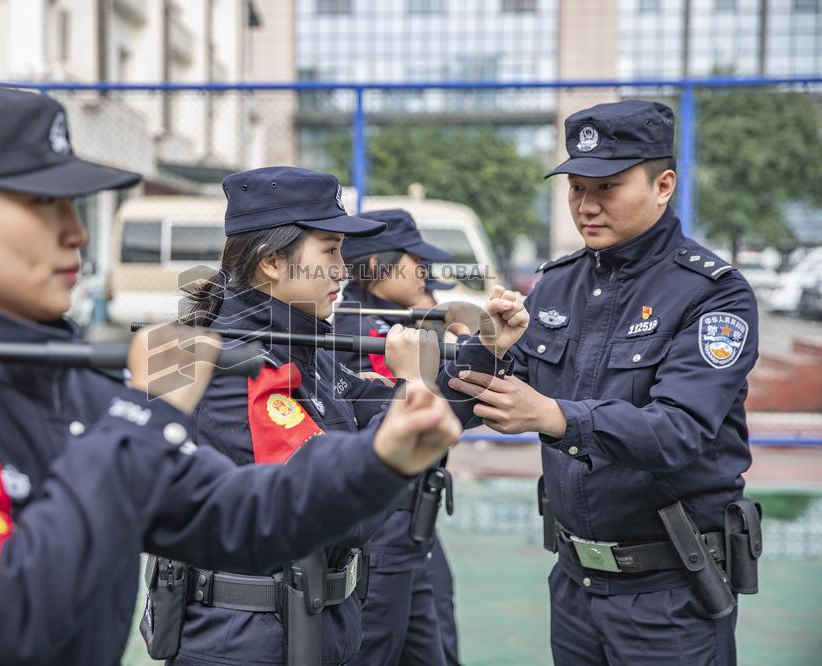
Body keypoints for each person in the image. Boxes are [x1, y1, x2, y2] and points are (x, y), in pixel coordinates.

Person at [0, 83, 466, 666]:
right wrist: (145, 413)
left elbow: (235, 517)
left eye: (74, 207)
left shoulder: (65, 385)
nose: (76, 233)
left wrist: (382, 458)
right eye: (44, 204)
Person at [161, 166, 530, 666]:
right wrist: (410, 387)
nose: (342, 269)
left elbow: (376, 410)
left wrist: (485, 351)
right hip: (248, 642)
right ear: (271, 261)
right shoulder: (230, 360)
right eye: (330, 251)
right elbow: (330, 512)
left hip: (303, 627)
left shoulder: (300, 341)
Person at [447, 99, 761, 665]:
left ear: (663, 185)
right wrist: (488, 349)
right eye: (576, 189)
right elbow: (469, 401)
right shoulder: (555, 285)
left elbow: (678, 431)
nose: (586, 206)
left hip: (669, 593)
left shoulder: (712, 293)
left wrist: (554, 416)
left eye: (608, 187)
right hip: (574, 583)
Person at [334, 208, 466, 666]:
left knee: (434, 651)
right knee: (374, 650)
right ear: (374, 266)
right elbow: (397, 417)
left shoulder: (404, 326)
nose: (426, 274)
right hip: (384, 526)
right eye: (415, 261)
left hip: (415, 524)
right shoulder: (361, 333)